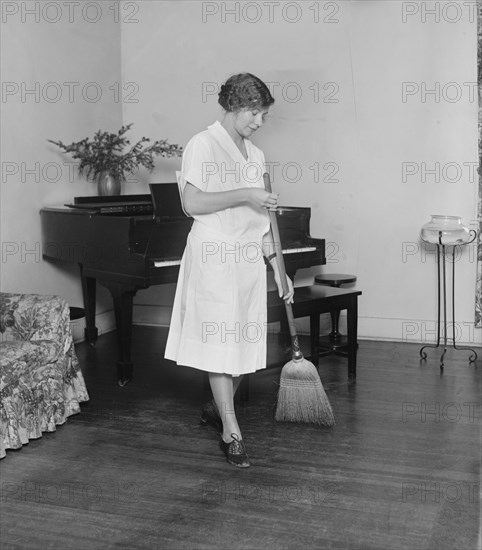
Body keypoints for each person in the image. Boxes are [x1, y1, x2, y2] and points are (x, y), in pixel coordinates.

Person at [164, 73, 294, 468]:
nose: (259, 121)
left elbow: (262, 221)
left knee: (241, 347)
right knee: (221, 350)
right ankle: (231, 431)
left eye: (263, 114)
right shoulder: (202, 145)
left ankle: (218, 407)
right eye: (255, 112)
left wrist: (277, 267)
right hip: (214, 257)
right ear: (234, 106)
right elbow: (193, 203)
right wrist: (247, 192)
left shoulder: (255, 156)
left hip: (248, 262)